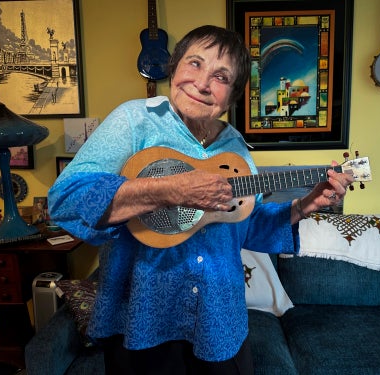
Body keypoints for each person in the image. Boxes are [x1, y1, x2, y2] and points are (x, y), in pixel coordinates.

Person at [48, 25, 353, 375]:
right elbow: (65, 200)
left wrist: (304, 206)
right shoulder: (134, 120)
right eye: (194, 63)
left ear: (232, 96)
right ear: (174, 67)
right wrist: (172, 190)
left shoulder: (236, 147)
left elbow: (244, 223)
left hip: (218, 319)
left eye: (221, 76)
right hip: (144, 319)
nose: (203, 82)